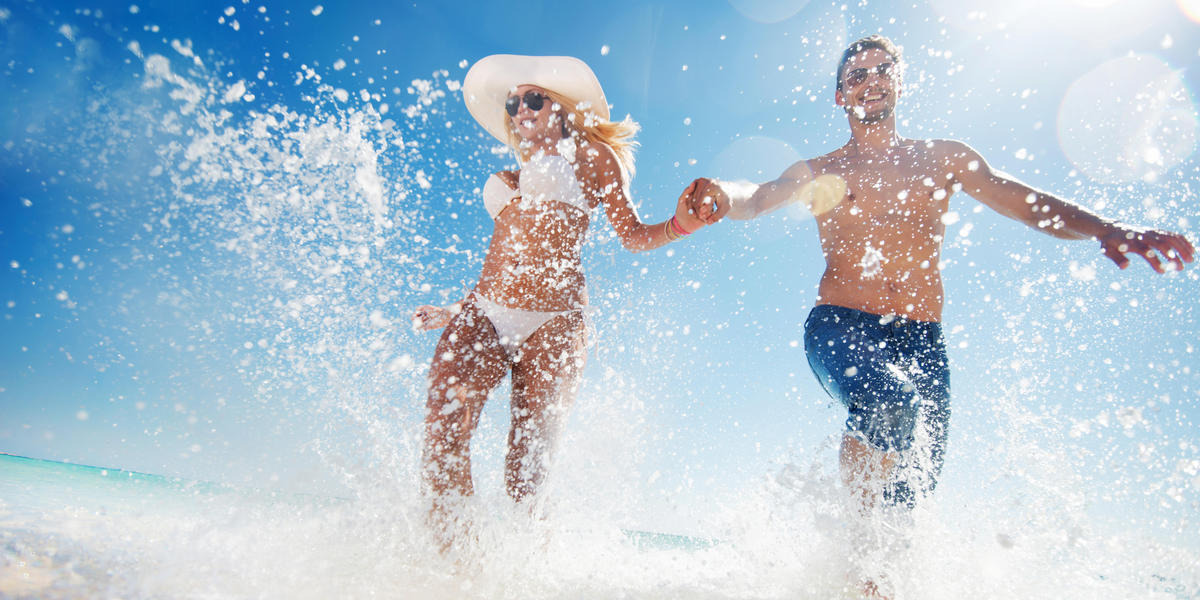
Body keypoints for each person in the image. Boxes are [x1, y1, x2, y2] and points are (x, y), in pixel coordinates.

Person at [689, 35, 1195, 595]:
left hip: (923, 344)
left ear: (900, 83)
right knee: (888, 404)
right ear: (839, 97)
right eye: (857, 75)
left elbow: (1023, 201)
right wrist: (719, 194)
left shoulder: (943, 159)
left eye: (882, 70)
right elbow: (758, 196)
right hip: (840, 325)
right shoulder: (820, 170)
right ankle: (854, 558)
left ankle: (873, 586)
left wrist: (1106, 228)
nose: (871, 81)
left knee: (911, 497)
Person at [413, 54, 707, 549]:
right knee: (444, 424)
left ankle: (532, 570)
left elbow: (632, 235)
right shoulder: (513, 174)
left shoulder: (589, 158)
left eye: (533, 98)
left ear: (563, 109)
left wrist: (681, 224)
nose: (521, 109)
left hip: (555, 319)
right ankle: (454, 566)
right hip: (485, 307)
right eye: (513, 103)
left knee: (526, 466)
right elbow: (504, 255)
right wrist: (454, 309)